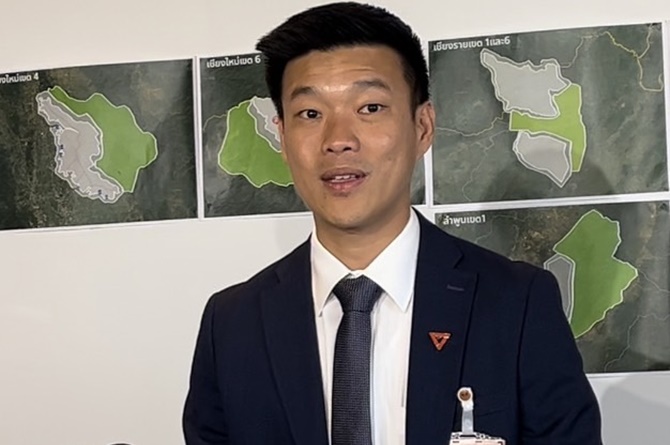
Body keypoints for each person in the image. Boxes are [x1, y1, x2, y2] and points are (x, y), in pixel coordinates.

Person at [182, 2, 603, 444]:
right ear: (282, 137)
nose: (338, 140)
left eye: (370, 107)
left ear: (423, 126)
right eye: (310, 114)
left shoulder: (516, 304)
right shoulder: (233, 325)